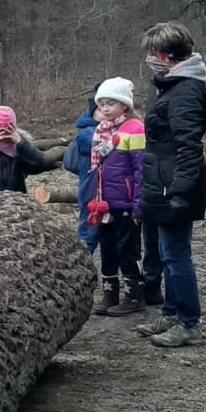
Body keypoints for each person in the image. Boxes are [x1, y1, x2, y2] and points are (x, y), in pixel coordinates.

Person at [136, 22, 206, 348]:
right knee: (166, 254)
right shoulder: (168, 86)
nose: (148, 59)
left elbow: (188, 146)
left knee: (177, 255)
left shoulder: (186, 91)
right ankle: (170, 313)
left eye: (152, 53)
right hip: (160, 179)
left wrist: (180, 191)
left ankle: (189, 323)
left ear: (166, 55)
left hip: (175, 183)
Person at [86, 77, 147, 317]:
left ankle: (134, 294)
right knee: (108, 248)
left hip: (125, 202)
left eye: (111, 104)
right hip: (103, 203)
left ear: (125, 105)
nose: (105, 109)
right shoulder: (100, 131)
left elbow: (141, 169)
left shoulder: (135, 129)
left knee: (127, 249)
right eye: (101, 104)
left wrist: (138, 204)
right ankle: (109, 292)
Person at [62, 92, 99, 252]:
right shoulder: (87, 133)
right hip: (91, 193)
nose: (106, 110)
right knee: (88, 235)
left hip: (105, 192)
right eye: (100, 108)